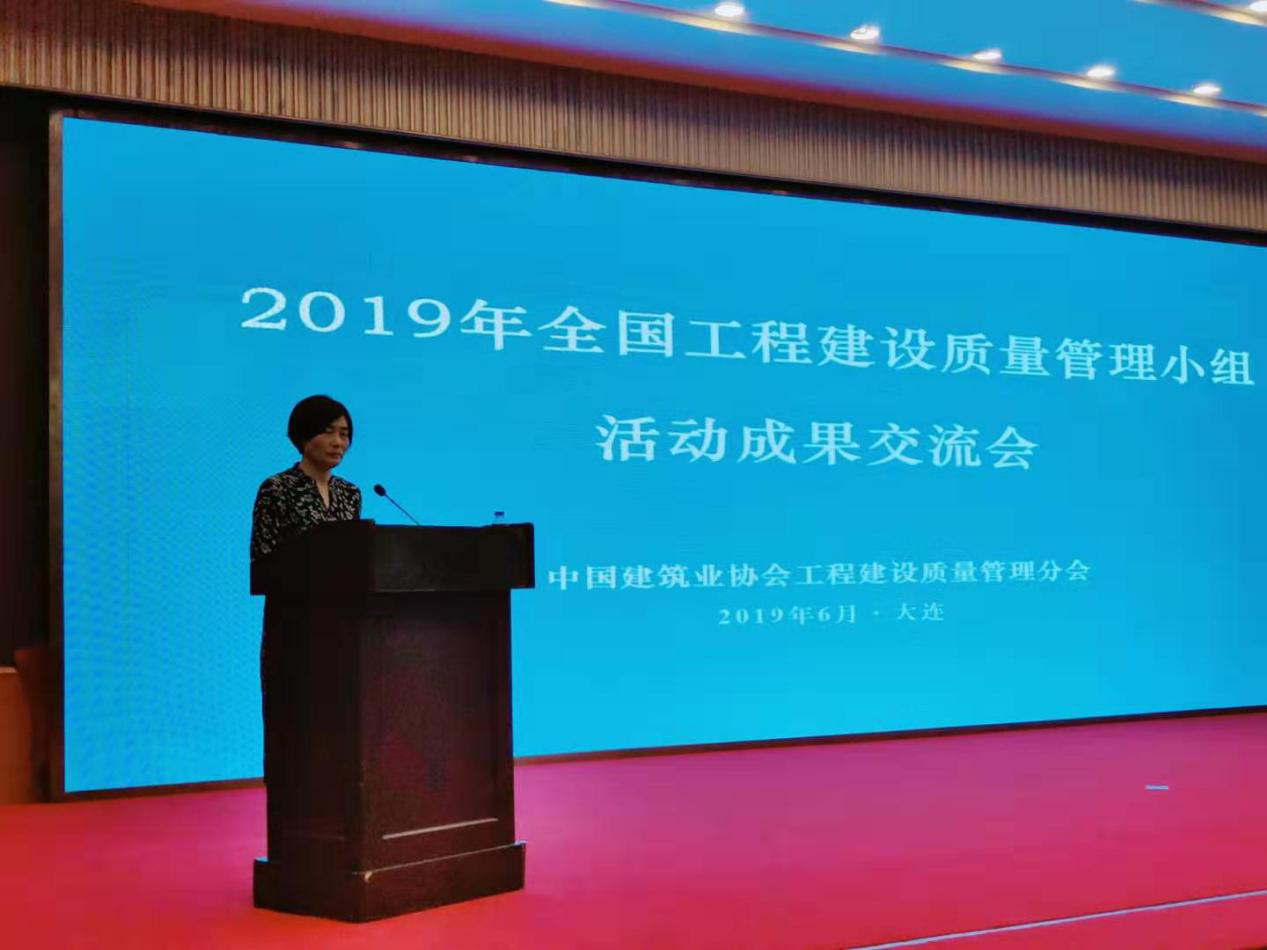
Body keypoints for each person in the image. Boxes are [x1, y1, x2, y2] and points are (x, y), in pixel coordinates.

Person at [250, 394, 362, 564]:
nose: (338, 442)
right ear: (303, 435)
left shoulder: (350, 492)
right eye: (328, 432)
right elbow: (261, 559)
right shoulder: (277, 488)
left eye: (344, 434)